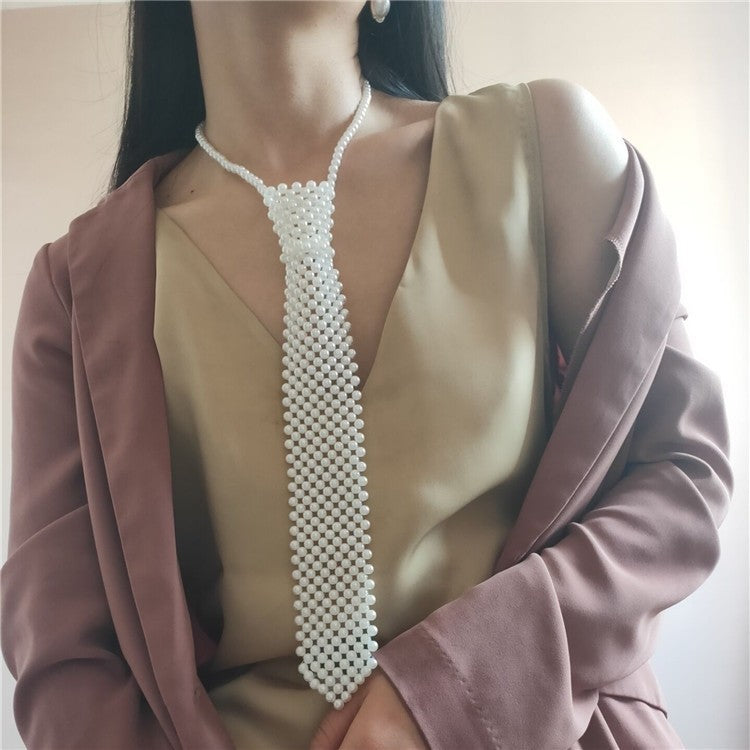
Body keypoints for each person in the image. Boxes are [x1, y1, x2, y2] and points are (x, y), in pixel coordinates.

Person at [2, 2, 733, 749]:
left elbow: (682, 471)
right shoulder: (79, 291)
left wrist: (455, 691)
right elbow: (67, 663)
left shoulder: (547, 149)